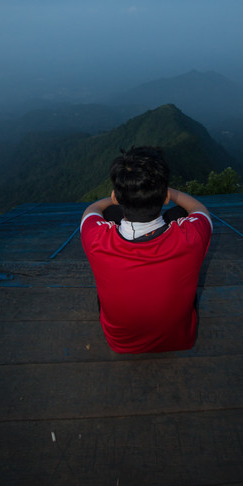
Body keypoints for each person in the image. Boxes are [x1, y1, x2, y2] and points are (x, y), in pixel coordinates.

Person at [80, 146, 212, 354]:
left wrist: (117, 199)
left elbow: (93, 210)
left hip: (120, 344)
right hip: (180, 340)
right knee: (180, 213)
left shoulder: (95, 239)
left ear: (116, 195)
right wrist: (168, 193)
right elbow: (199, 210)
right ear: (165, 196)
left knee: (111, 214)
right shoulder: (192, 236)